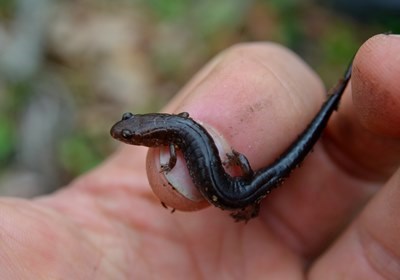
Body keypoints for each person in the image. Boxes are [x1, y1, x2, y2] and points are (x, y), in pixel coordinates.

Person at [1, 34, 399, 278]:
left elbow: (175, 158)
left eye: (128, 131)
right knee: (265, 172)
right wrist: (237, 171)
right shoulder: (173, 128)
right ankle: (334, 94)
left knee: (266, 169)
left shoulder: (171, 142)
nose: (126, 135)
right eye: (127, 132)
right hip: (241, 186)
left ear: (146, 137)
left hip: (238, 192)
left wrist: (224, 178)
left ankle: (335, 93)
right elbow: (184, 134)